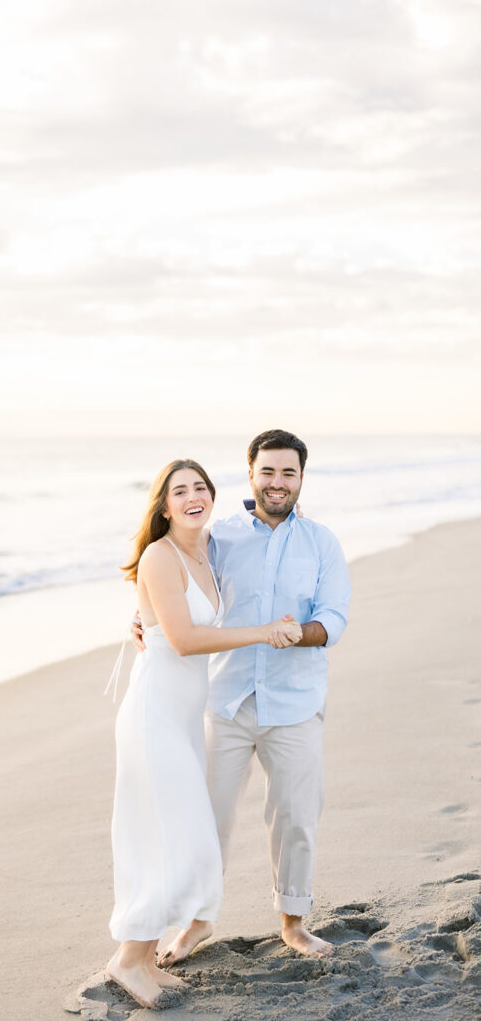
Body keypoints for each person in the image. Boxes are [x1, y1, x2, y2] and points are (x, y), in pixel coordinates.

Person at [134, 430, 351, 967]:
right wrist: (145, 617)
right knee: (208, 815)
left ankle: (294, 923)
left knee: (295, 815)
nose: (278, 483)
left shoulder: (322, 542)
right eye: (269, 472)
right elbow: (179, 583)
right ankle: (197, 921)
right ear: (250, 473)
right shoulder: (218, 537)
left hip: (295, 703)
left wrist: (292, 633)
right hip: (226, 700)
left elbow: (334, 619)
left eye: (289, 473)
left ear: (301, 478)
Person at [106, 458, 303, 1010]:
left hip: (184, 717)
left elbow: (263, 523)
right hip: (154, 715)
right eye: (179, 491)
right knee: (174, 836)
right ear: (163, 505)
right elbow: (187, 640)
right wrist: (264, 633)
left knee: (174, 836)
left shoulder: (206, 548)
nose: (192, 497)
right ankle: (127, 959)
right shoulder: (160, 555)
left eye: (200, 488)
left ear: (213, 496)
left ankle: (143, 960)